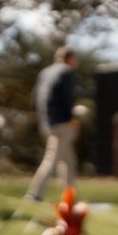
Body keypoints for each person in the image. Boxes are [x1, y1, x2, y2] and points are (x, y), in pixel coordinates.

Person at [27, 47, 79, 201]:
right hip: (62, 123)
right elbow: (67, 97)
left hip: (46, 122)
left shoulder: (45, 72)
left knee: (69, 161)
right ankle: (34, 194)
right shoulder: (66, 72)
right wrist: (71, 117)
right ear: (70, 58)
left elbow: (36, 97)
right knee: (52, 159)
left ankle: (70, 197)